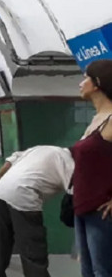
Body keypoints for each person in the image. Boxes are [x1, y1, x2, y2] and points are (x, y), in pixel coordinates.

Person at [0, 145, 75, 277]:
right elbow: (76, 193)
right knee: (33, 251)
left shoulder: (40, 149)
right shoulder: (69, 162)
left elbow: (9, 163)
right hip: (23, 195)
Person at [72, 59, 112, 277]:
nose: (81, 83)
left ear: (97, 83)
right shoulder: (96, 120)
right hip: (83, 206)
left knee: (102, 271)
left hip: (102, 210)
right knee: (88, 271)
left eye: (86, 78)